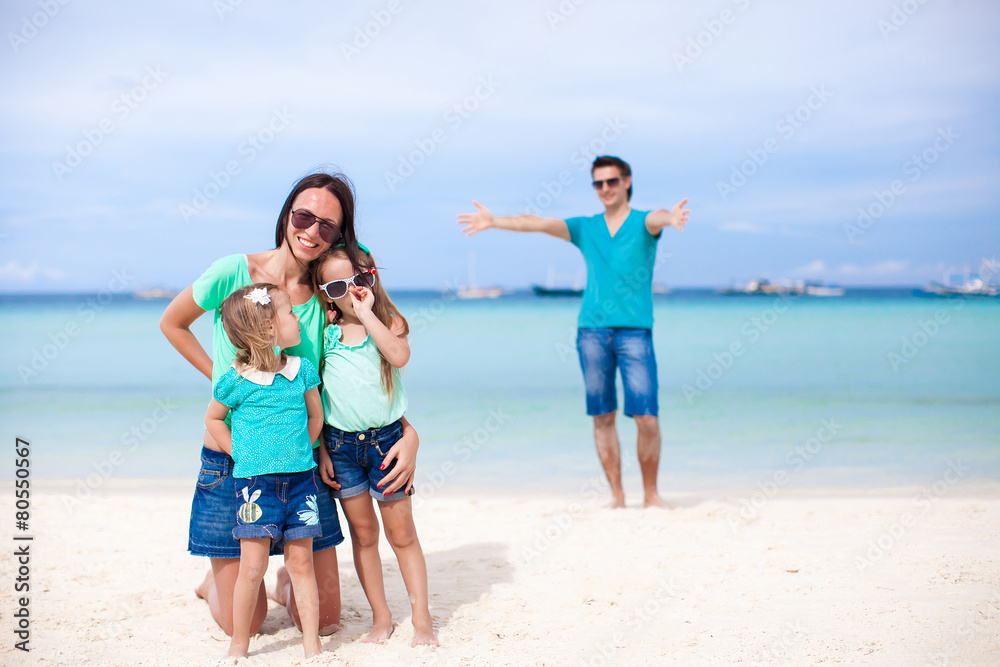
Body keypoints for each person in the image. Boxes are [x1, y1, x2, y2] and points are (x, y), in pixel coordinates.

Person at [159, 171, 421, 638]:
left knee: (325, 618)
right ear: (287, 215)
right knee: (249, 623)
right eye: (305, 216)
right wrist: (229, 384)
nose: (312, 231)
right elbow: (173, 323)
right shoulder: (234, 273)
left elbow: (353, 381)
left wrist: (408, 431)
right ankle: (212, 582)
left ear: (339, 236)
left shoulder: (328, 298)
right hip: (234, 462)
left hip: (303, 461)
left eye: (328, 226)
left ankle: (284, 578)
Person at [457, 156, 690, 508]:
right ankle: (617, 496)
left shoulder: (644, 223)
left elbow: (658, 216)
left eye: (611, 181)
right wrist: (493, 221)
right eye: (598, 183)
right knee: (602, 417)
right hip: (591, 332)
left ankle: (651, 494)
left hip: (635, 333)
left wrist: (671, 218)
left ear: (626, 181)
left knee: (646, 417)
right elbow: (536, 223)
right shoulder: (586, 227)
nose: (605, 189)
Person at [313, 246, 438, 647]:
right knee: (364, 535)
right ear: (325, 295)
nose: (348, 291)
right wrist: (324, 450)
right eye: (337, 286)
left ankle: (422, 618)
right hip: (341, 447)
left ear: (369, 278)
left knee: (402, 535)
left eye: (355, 280)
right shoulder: (325, 336)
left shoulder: (388, 323)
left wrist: (367, 313)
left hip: (386, 443)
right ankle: (381, 617)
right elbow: (320, 400)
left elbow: (399, 357)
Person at [204, 284, 325, 658]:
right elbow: (214, 418)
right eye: (290, 313)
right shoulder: (237, 379)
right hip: (254, 487)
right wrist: (238, 452)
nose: (298, 318)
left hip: (301, 482)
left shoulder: (300, 370)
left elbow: (316, 415)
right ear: (268, 329)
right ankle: (239, 642)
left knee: (302, 564)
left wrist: (301, 449)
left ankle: (311, 640)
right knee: (252, 568)